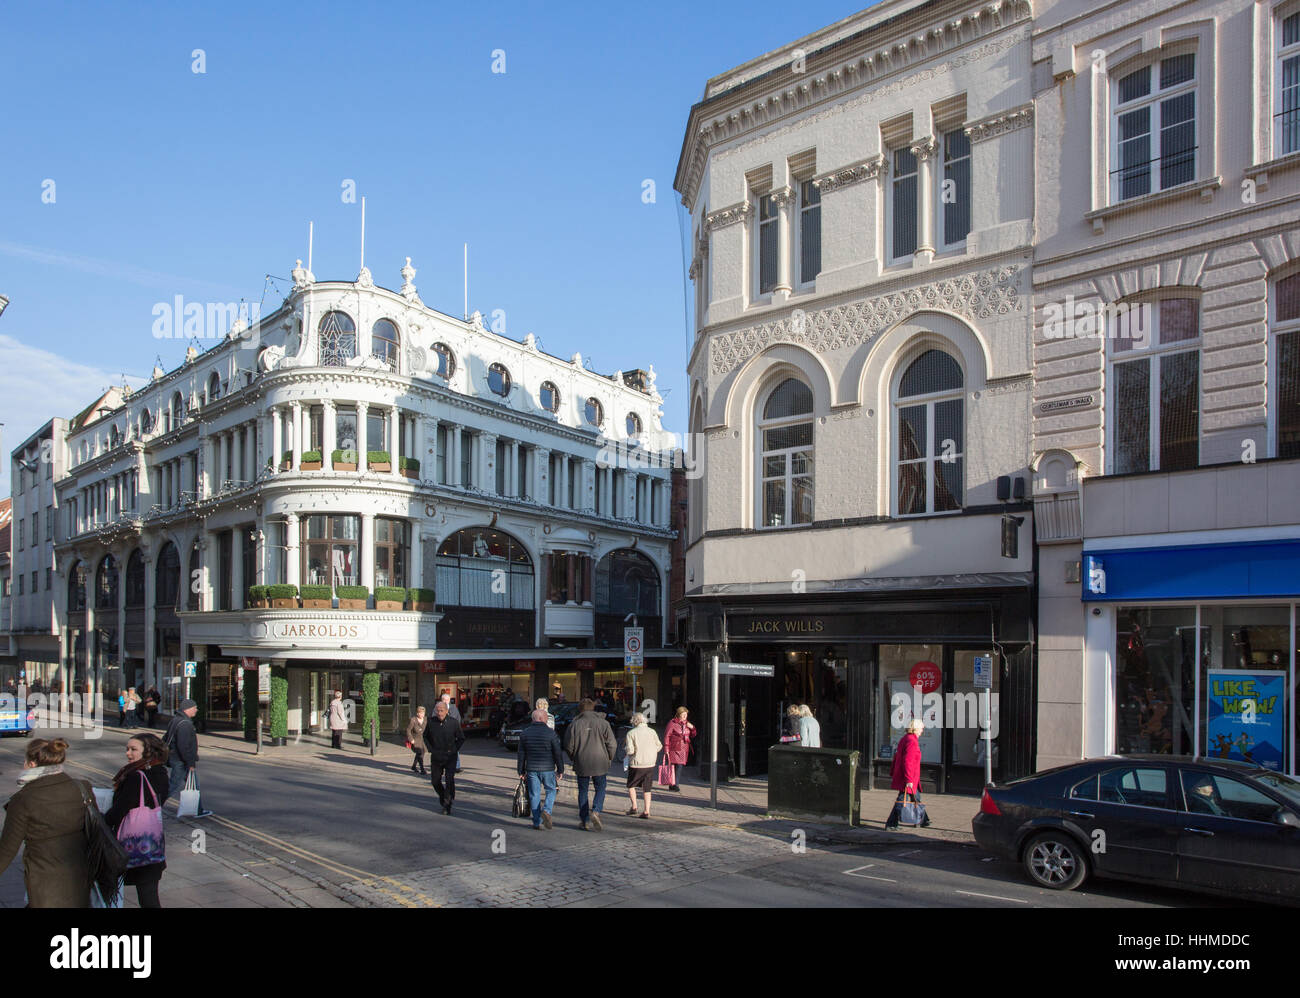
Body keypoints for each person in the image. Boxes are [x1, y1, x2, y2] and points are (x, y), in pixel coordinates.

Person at [0, 738, 93, 907]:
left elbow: (7, 850)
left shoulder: (23, 799)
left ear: (32, 764)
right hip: (79, 876)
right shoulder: (82, 788)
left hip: (44, 881)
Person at [105, 733, 169, 908]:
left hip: (129, 846)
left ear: (148, 752)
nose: (128, 753)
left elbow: (117, 812)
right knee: (149, 895)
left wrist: (100, 820)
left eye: (133, 749)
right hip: (151, 845)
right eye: (127, 749)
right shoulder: (161, 772)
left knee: (105, 890)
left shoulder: (136, 777)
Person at [564, 698, 617, 830]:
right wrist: (609, 757)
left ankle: (585, 820)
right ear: (593, 708)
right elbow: (612, 744)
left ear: (580, 709)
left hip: (582, 761)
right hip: (600, 761)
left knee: (583, 790)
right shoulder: (603, 723)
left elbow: (568, 745)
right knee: (600, 788)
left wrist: (574, 757)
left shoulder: (575, 724)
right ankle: (596, 811)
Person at [163, 699, 211, 817]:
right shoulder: (185, 724)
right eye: (194, 708)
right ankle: (153, 805)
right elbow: (183, 746)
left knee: (195, 785)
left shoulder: (175, 720)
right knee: (173, 785)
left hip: (177, 758)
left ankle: (198, 810)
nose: (196, 710)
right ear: (187, 709)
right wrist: (190, 764)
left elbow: (166, 737)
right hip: (181, 761)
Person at [518, 708, 563, 829]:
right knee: (551, 790)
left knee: (534, 794)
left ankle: (536, 821)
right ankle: (547, 811)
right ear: (543, 719)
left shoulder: (525, 733)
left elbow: (521, 754)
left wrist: (521, 771)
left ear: (533, 719)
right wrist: (560, 769)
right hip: (548, 768)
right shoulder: (551, 733)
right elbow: (557, 753)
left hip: (532, 769)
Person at [885, 718, 930, 829]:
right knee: (902, 799)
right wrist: (909, 779)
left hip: (907, 776)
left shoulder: (905, 738)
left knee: (916, 797)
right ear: (915, 729)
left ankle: (924, 820)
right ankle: (891, 823)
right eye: (921, 728)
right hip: (909, 777)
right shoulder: (912, 741)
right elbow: (908, 762)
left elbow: (897, 757)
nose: (922, 731)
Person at [423, 701, 465, 814]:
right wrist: (431, 749)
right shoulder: (431, 722)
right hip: (437, 756)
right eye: (437, 710)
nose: (439, 713)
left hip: (450, 756)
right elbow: (425, 736)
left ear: (446, 711)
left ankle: (447, 804)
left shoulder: (453, 723)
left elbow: (461, 738)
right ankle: (443, 796)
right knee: (435, 781)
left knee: (449, 779)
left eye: (441, 710)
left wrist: (454, 750)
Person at [624, 712, 662, 819]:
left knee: (631, 785)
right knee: (647, 788)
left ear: (634, 722)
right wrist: (652, 752)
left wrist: (626, 751)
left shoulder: (631, 733)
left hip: (636, 763)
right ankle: (646, 811)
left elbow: (630, 750)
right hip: (650, 763)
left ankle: (634, 806)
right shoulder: (652, 731)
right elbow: (659, 746)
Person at [662, 706, 697, 792]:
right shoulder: (672, 723)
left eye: (686, 714)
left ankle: (673, 784)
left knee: (679, 766)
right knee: (673, 766)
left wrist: (692, 728)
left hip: (684, 748)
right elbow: (667, 736)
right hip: (674, 747)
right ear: (679, 714)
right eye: (683, 714)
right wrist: (666, 748)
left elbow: (693, 735)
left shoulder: (687, 724)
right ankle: (674, 784)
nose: (685, 716)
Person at [406, 706, 428, 775]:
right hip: (415, 739)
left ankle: (414, 766)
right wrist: (411, 739)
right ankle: (422, 769)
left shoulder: (425, 719)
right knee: (420, 752)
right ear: (417, 713)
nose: (422, 715)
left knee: (422, 752)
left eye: (423, 713)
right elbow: (408, 730)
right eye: (421, 713)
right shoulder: (413, 720)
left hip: (422, 739)